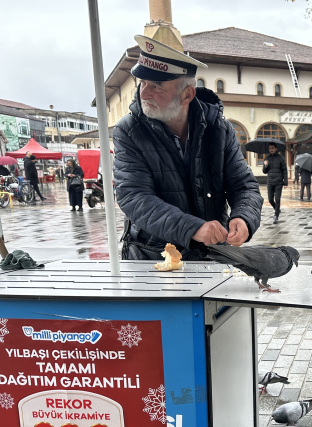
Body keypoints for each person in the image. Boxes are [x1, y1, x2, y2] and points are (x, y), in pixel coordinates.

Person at [113, 35, 263, 259]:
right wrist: (193, 228)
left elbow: (244, 186)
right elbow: (134, 197)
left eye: (157, 86)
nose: (144, 93)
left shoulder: (220, 129)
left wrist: (243, 218)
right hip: (154, 256)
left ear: (187, 95)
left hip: (213, 253)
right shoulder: (129, 130)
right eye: (143, 83)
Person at [263, 143, 287, 223]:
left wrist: (285, 182)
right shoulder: (267, 158)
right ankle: (277, 209)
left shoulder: (281, 158)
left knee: (277, 199)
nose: (271, 150)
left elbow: (284, 171)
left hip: (278, 182)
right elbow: (264, 172)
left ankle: (276, 215)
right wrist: (265, 165)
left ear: (276, 149)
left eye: (273, 148)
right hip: (270, 181)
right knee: (270, 199)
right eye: (270, 148)